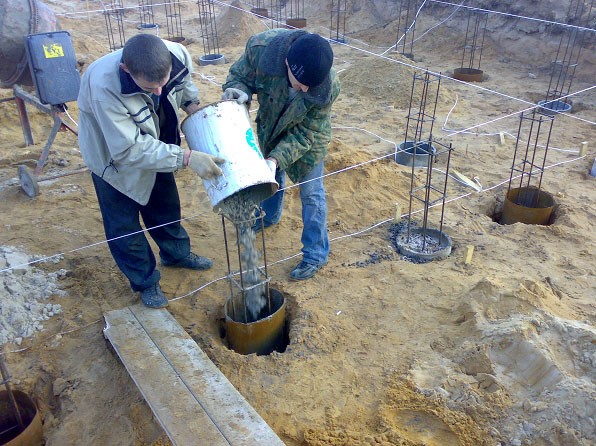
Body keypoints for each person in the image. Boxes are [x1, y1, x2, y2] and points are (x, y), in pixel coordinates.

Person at [77, 34, 225, 308]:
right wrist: (187, 157)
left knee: (165, 206)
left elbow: (185, 85)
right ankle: (146, 282)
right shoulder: (104, 86)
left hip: (158, 146)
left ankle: (176, 254)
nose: (158, 91)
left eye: (163, 82)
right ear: (126, 70)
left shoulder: (176, 54)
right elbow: (128, 150)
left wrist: (194, 109)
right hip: (113, 159)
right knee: (124, 226)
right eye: (149, 86)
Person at [221, 29, 340, 281]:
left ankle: (315, 254)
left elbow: (305, 134)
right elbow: (239, 76)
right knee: (272, 179)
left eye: (311, 85)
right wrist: (237, 92)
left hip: (308, 140)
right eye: (301, 82)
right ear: (287, 63)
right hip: (270, 127)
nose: (306, 89)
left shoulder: (327, 87)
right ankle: (269, 216)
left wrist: (274, 160)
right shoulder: (261, 49)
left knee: (312, 193)